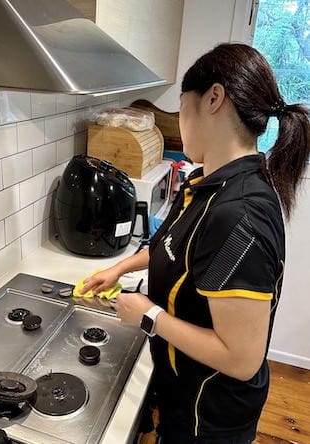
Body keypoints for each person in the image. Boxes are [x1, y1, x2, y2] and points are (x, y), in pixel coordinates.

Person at [81, 43, 309, 443]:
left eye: (182, 105)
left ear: (214, 98)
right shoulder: (206, 185)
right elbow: (171, 245)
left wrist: (148, 315)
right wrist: (118, 268)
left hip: (210, 418)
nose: (178, 120)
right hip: (179, 392)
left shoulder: (240, 218)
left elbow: (241, 358)